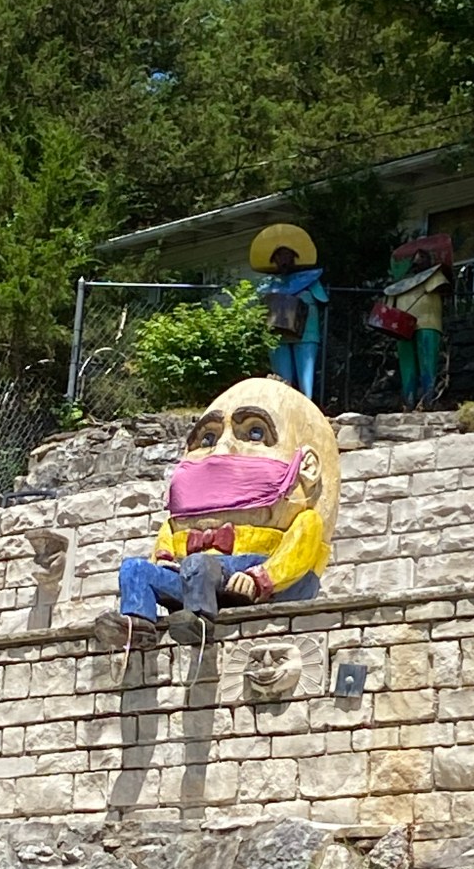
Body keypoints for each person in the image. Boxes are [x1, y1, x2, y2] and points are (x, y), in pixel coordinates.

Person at [93, 377, 341, 650]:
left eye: (254, 433)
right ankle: (138, 625)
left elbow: (297, 553)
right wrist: (163, 561)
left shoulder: (306, 520)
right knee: (134, 569)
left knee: (198, 564)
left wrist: (260, 577)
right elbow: (166, 542)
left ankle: (199, 621)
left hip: (244, 573)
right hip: (190, 577)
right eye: (208, 438)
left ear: (307, 466)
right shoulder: (177, 524)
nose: (220, 451)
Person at [250, 224, 328, 400]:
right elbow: (323, 299)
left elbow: (322, 300)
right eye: (279, 256)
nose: (283, 260)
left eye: (286, 256)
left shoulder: (310, 279)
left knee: (305, 378)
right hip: (278, 335)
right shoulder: (268, 284)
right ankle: (284, 405)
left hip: (305, 333)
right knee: (282, 381)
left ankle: (306, 405)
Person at [379, 235, 452, 409]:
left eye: (422, 257)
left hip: (427, 323)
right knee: (407, 366)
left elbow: (445, 288)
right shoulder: (398, 286)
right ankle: (409, 402)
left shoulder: (435, 276)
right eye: (416, 257)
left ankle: (428, 400)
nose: (418, 260)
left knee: (428, 364)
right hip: (402, 326)